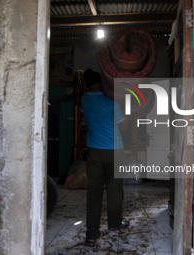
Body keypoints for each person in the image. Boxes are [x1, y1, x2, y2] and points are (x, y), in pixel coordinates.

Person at [81, 69, 129, 247]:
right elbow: (123, 126)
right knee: (115, 189)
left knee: (94, 193)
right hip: (114, 150)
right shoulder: (111, 101)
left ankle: (91, 235)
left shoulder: (84, 100)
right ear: (102, 82)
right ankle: (115, 223)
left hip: (94, 150)